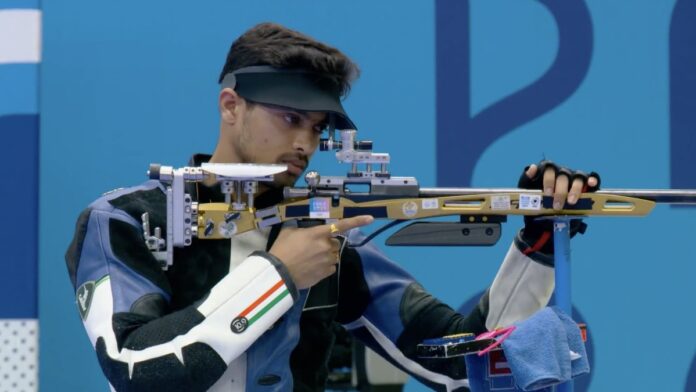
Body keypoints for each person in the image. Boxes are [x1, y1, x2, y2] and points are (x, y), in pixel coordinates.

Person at [65, 22, 599, 392]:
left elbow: (461, 364)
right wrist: (279, 275)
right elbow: (137, 370)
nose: (305, 142)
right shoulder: (125, 220)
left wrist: (539, 241)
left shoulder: (328, 235)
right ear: (231, 106)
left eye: (318, 128)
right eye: (290, 118)